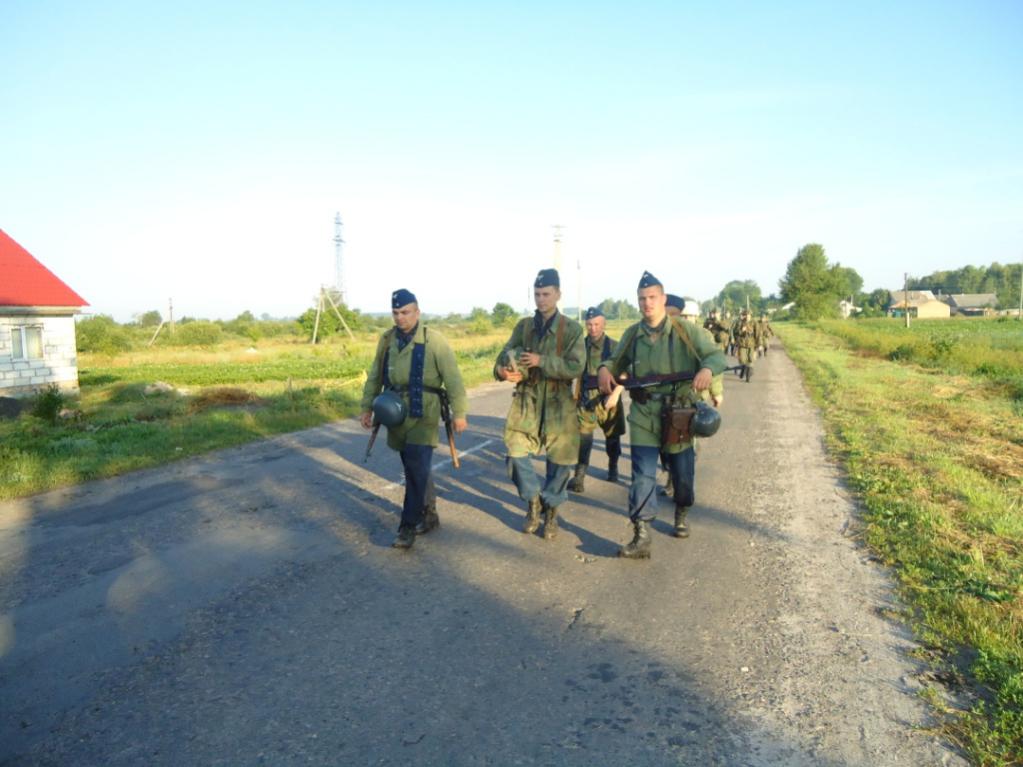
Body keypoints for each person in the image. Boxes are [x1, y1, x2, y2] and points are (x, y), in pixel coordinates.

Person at [597, 272, 728, 559]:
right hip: (644, 414)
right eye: (642, 299)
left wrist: (707, 370)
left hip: (679, 415)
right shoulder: (633, 334)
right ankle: (641, 535)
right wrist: (605, 369)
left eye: (652, 297)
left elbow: (715, 355)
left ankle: (682, 510)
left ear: (663, 298)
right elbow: (615, 360)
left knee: (682, 475)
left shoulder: (686, 331)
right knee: (642, 475)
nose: (647, 303)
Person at [360, 289, 468, 549]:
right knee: (412, 467)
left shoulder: (434, 340)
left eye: (405, 312)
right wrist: (367, 407)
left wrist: (459, 413)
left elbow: (453, 377)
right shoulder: (387, 340)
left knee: (417, 466)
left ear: (417, 312)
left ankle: (407, 526)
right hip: (395, 412)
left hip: (425, 412)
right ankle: (428, 514)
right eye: (396, 313)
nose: (400, 318)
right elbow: (375, 375)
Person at [495, 269, 585, 541]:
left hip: (559, 403)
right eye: (537, 294)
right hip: (528, 400)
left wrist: (541, 361)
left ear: (558, 294)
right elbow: (503, 354)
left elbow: (576, 366)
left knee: (560, 462)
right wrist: (502, 371)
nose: (541, 299)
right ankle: (533, 501)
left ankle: (552, 512)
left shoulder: (572, 329)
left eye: (546, 294)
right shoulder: (524, 327)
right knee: (515, 452)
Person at [568, 307, 626, 493]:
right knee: (583, 440)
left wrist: (616, 394)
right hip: (586, 399)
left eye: (597, 324)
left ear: (604, 324)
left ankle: (613, 467)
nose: (593, 328)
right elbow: (569, 370)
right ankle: (579, 476)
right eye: (589, 325)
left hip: (609, 399)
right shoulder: (579, 347)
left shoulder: (615, 347)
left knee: (613, 438)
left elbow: (626, 373)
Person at [732, 308, 758, 382]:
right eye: (745, 315)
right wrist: (741, 330)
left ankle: (748, 377)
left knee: (750, 360)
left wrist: (758, 345)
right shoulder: (740, 323)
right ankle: (743, 369)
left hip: (751, 344)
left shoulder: (754, 323)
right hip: (742, 344)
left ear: (751, 315)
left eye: (748, 315)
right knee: (742, 360)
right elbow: (735, 332)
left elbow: (757, 334)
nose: (747, 316)